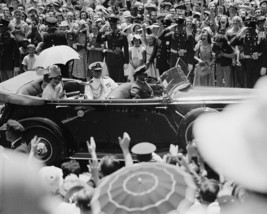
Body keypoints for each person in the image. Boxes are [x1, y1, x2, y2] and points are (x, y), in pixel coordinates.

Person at [96, 14, 129, 82]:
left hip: (119, 59)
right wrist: (100, 31)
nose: (112, 26)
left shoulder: (123, 35)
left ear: (116, 24)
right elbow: (98, 40)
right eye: (111, 25)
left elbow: (126, 50)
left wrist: (126, 62)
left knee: (120, 78)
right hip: (110, 59)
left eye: (113, 24)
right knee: (111, 78)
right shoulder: (108, 34)